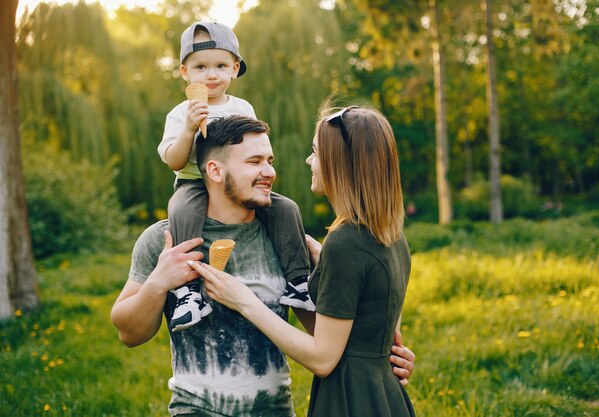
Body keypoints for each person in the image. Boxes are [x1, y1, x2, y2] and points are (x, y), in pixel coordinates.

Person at [111, 115, 415, 417]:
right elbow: (129, 334)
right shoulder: (168, 241)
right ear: (215, 170)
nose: (269, 171)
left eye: (269, 161)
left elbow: (323, 334)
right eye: (254, 162)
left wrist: (381, 353)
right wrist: (158, 283)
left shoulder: (286, 243)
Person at [158, 21, 313, 332]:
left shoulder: (242, 108)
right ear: (185, 73)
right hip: (195, 183)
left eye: (220, 66)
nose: (211, 74)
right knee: (181, 211)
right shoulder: (180, 113)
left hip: (239, 184)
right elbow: (174, 161)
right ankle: (188, 293)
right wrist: (189, 128)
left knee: (286, 208)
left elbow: (253, 146)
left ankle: (298, 281)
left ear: (235, 68)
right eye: (200, 67)